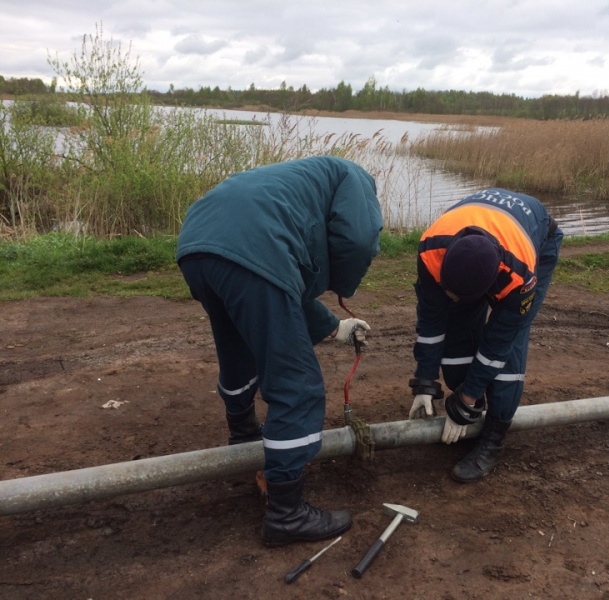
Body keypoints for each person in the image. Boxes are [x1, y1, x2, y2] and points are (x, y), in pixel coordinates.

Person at [176, 156, 383, 546]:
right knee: (297, 386)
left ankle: (243, 438)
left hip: (198, 245)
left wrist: (335, 328)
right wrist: (344, 283)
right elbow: (359, 238)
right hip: (254, 248)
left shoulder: (299, 184)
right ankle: (286, 513)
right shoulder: (356, 177)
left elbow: (281, 286)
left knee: (238, 349)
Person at [408, 188, 562, 482]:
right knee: (458, 329)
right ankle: (472, 413)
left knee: (509, 346)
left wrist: (467, 396)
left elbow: (498, 342)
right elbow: (431, 321)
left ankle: (493, 438)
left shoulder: (520, 274)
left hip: (535, 244)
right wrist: (425, 382)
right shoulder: (431, 251)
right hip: (486, 240)